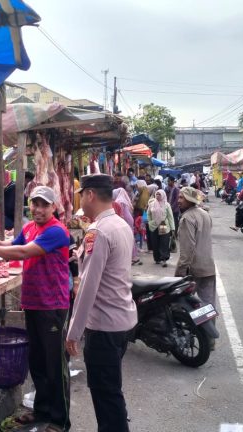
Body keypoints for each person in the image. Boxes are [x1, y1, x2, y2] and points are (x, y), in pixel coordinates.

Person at [0, 186, 71, 431]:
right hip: (34, 303)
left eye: (44, 205)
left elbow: (23, 252)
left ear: (53, 207)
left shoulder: (57, 231)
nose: (38, 209)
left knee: (55, 365)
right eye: (34, 204)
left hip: (52, 305)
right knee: (37, 361)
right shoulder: (29, 227)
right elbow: (12, 244)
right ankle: (42, 410)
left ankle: (60, 421)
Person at [67, 174, 137, 432]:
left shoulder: (98, 232)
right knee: (111, 391)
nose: (81, 201)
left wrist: (73, 331)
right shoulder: (120, 225)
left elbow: (87, 287)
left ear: (90, 195)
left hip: (105, 326)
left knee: (106, 396)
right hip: (123, 321)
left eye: (82, 195)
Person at [175, 187, 217, 347]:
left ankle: (189, 337)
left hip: (193, 268)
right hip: (208, 265)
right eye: (178, 197)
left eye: (181, 198)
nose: (178, 200)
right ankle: (209, 338)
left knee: (184, 304)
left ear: (190, 200)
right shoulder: (205, 214)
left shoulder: (187, 218)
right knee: (207, 303)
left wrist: (180, 272)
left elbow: (187, 250)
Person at [147, 190, 175, 267]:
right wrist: (150, 222)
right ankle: (157, 258)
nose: (158, 196)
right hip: (154, 224)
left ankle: (164, 259)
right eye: (157, 194)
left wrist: (172, 229)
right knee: (155, 242)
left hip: (163, 224)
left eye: (159, 194)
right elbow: (148, 214)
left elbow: (170, 217)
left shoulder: (166, 205)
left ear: (163, 195)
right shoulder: (151, 204)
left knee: (164, 242)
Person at [113, 188, 139, 265]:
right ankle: (133, 256)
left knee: (126, 238)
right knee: (129, 236)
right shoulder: (123, 199)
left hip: (125, 219)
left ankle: (131, 257)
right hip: (129, 219)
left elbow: (120, 213)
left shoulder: (119, 201)